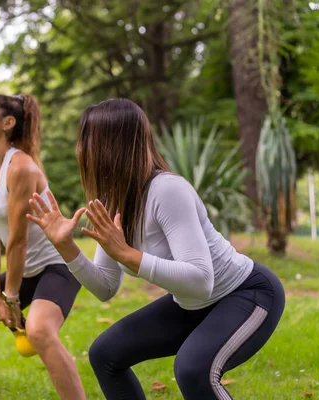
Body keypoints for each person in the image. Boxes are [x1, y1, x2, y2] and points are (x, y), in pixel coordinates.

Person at [27, 98, 285, 400]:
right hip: (192, 304)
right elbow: (106, 287)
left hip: (247, 295)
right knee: (105, 354)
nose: (80, 150)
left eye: (85, 138)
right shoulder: (112, 201)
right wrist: (66, 247)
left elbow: (202, 280)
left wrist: (127, 255)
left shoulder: (167, 190)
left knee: (193, 369)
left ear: (109, 144)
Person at [0, 94, 86, 400]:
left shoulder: (22, 168)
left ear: (7, 123)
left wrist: (10, 297)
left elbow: (18, 239)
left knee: (39, 331)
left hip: (58, 265)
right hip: (24, 269)